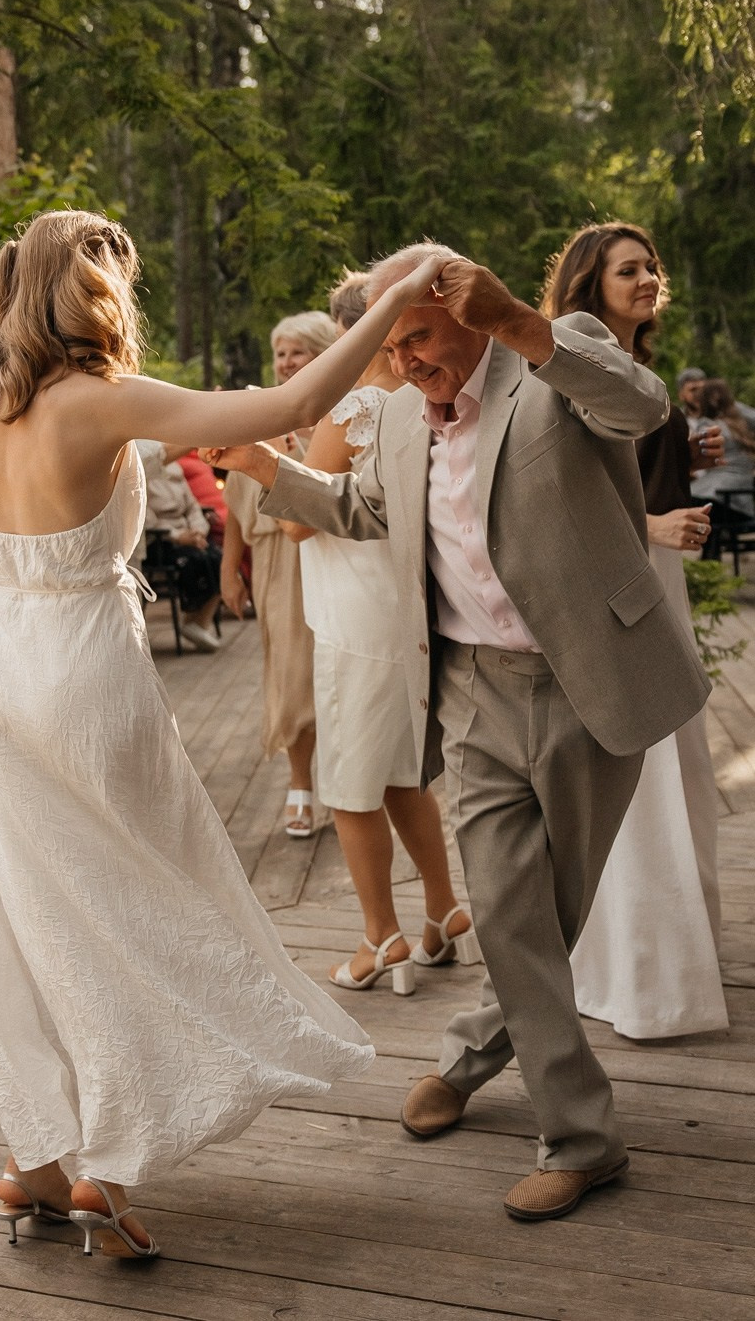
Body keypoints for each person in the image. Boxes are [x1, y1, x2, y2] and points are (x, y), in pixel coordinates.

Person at [0, 211, 444, 1257]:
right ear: (96, 291)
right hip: (83, 664)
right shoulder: (101, 401)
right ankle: (108, 1164)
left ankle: (35, 1159)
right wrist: (396, 302)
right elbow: (300, 400)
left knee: (26, 911)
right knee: (132, 904)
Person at [208, 240, 710, 1222]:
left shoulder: (550, 356)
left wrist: (521, 322)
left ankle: (470, 1053)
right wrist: (271, 469)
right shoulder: (399, 412)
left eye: (421, 338)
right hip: (472, 691)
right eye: (389, 348)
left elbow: (641, 407)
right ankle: (580, 1136)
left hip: (583, 680)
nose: (407, 362)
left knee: (542, 912)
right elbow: (361, 508)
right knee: (507, 904)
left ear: (468, 309)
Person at [542, 222, 728, 1040]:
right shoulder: (564, 370)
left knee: (679, 770)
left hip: (666, 587)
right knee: (638, 777)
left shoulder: (639, 371)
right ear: (590, 283)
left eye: (653, 265)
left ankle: (682, 952)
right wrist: (653, 528)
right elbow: (554, 494)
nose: (649, 277)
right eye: (630, 269)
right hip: (617, 588)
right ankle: (640, 976)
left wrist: (689, 452)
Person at [282, 271, 477, 993]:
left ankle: (380, 937)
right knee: (402, 776)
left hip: (352, 618)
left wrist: (283, 457)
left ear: (347, 334)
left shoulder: (356, 407)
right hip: (405, 612)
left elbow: (302, 518)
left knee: (349, 788)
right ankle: (443, 908)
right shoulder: (420, 398)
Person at [220, 311, 337, 838]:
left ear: (322, 355)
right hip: (276, 560)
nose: (287, 363)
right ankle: (300, 784)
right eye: (281, 353)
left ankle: (342, 784)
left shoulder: (341, 415)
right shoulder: (260, 414)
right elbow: (234, 503)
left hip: (334, 552)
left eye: (298, 352)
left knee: (335, 671)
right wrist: (230, 569)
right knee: (290, 671)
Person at [137, 439, 222, 651]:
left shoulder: (176, 470)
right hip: (162, 540)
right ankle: (192, 619)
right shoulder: (141, 472)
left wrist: (198, 531)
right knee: (194, 560)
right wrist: (177, 536)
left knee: (219, 558)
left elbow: (193, 506)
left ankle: (198, 621)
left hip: (189, 533)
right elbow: (145, 517)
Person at [691, 378, 755, 519]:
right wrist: (728, 402)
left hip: (717, 498)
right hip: (742, 500)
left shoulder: (707, 424)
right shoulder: (741, 424)